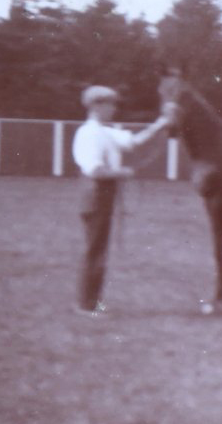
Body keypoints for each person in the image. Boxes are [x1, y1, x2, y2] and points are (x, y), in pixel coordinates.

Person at [72, 85, 170, 316]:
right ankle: (86, 305)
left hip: (102, 195)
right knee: (95, 251)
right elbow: (95, 170)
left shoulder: (105, 131)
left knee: (98, 251)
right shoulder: (89, 133)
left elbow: (134, 142)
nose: (114, 109)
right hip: (95, 194)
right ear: (96, 105)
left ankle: (92, 301)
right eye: (110, 104)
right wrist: (123, 173)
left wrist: (162, 123)